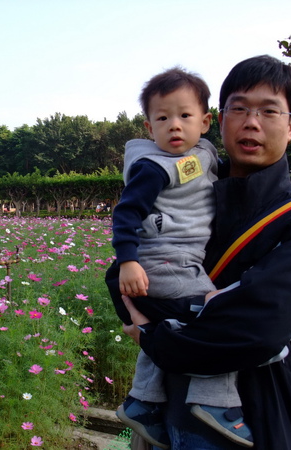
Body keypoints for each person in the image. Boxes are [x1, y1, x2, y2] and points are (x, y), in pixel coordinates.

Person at [122, 55, 291, 449]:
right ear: (220, 119)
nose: (252, 122)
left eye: (269, 110)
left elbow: (255, 333)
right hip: (170, 409)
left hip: (258, 412)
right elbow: (122, 279)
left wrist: (154, 337)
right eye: (239, 108)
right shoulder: (182, 190)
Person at [106, 67, 253, 449]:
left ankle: (144, 403)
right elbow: (125, 213)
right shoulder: (152, 168)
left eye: (185, 116)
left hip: (179, 261)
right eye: (163, 118)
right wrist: (128, 260)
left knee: (168, 325)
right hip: (163, 260)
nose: (174, 126)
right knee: (216, 316)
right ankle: (216, 402)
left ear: (205, 122)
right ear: (148, 126)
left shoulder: (203, 153)